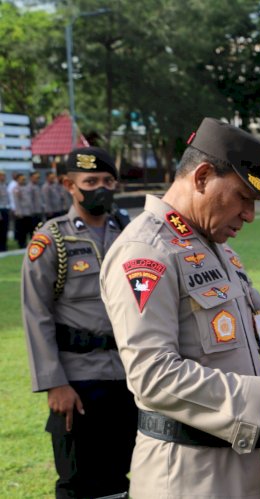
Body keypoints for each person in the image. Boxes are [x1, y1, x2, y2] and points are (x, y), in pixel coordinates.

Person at [99, 117, 260, 498]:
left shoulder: (213, 247)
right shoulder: (147, 250)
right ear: (202, 176)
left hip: (240, 459)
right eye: (244, 198)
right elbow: (151, 375)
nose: (250, 215)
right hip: (187, 473)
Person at [21, 147, 137, 498]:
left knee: (123, 475)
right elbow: (36, 314)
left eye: (107, 180)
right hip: (78, 379)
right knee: (78, 480)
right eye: (90, 181)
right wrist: (54, 383)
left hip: (129, 375)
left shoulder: (130, 234)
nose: (100, 188)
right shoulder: (52, 240)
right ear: (69, 185)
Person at [0, 171, 10, 251]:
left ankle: (4, 246)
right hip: (1, 210)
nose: (3, 177)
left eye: (4, 176)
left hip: (5, 209)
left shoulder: (5, 185)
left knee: (5, 229)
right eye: (2, 176)